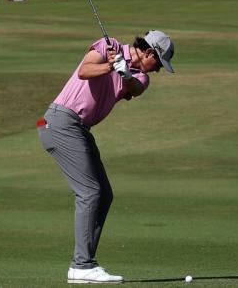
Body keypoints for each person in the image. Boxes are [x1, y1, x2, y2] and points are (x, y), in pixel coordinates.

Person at [39, 30, 175, 285]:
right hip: (61, 122)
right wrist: (110, 66)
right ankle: (82, 266)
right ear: (149, 53)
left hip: (80, 129)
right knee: (90, 192)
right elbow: (85, 71)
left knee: (104, 193)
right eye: (158, 63)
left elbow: (134, 88)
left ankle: (84, 263)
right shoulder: (108, 45)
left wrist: (123, 71)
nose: (156, 70)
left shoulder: (141, 77)